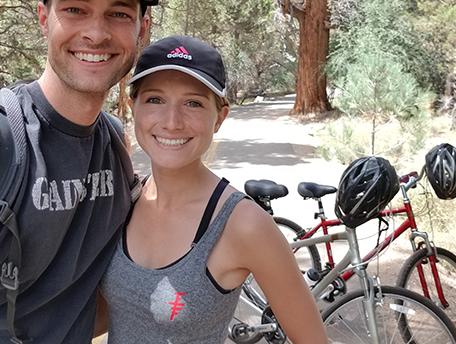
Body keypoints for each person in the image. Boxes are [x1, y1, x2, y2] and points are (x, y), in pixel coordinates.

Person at [0, 0, 158, 343]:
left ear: (141, 29)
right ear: (44, 18)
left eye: (118, 14)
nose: (96, 34)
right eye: (75, 9)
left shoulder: (116, 144)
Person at [99, 35, 327, 344]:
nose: (172, 121)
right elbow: (115, 313)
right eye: (155, 99)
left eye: (193, 103)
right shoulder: (125, 199)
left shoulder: (244, 224)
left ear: (219, 117)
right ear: (133, 108)